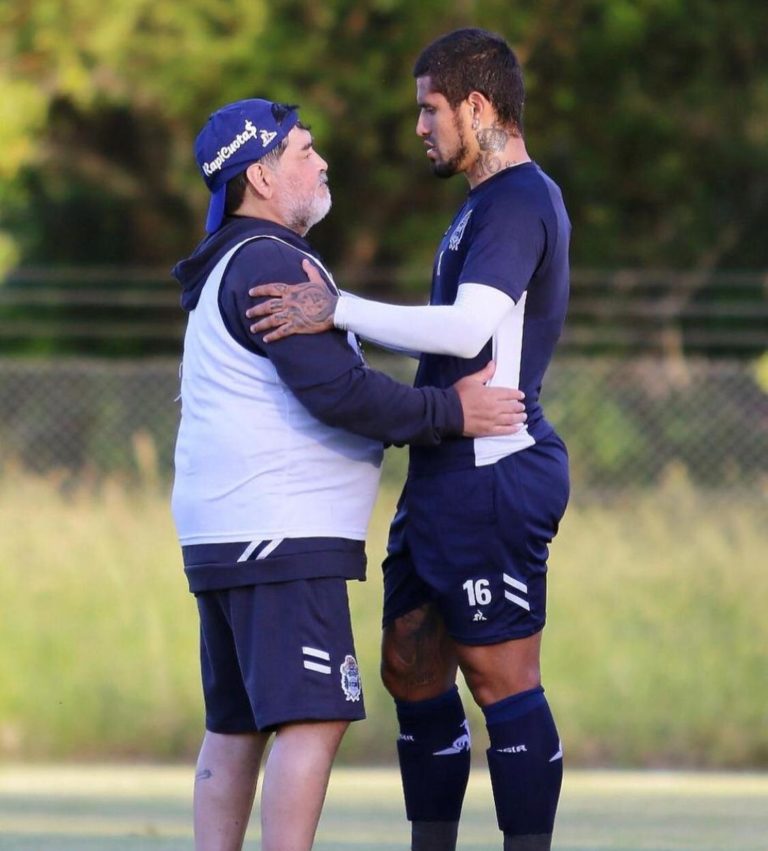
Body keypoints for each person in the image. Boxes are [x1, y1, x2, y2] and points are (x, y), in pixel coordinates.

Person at [170, 96, 526, 851]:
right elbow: (338, 393)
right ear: (260, 177)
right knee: (314, 716)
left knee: (235, 726)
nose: (322, 162)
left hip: (227, 534)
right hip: (279, 537)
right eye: (304, 150)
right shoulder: (270, 261)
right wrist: (451, 411)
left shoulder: (230, 259)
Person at [246, 28, 571, 851]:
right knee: (410, 665)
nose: (420, 126)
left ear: (477, 106)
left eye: (430, 109)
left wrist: (338, 309)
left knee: (501, 677)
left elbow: (467, 328)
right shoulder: (478, 206)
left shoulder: (521, 200)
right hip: (442, 474)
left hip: (495, 473)